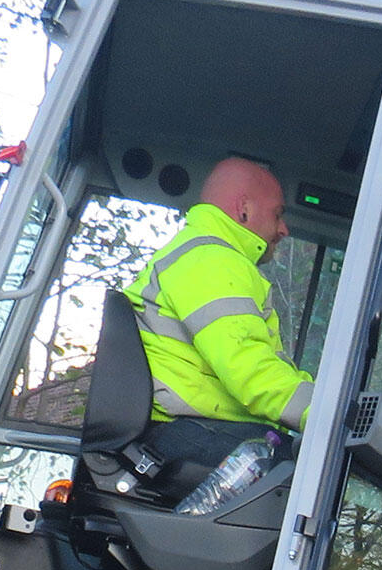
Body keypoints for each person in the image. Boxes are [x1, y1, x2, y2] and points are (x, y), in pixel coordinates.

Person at [124, 156, 314, 486]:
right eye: (278, 214)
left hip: (188, 429)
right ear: (244, 209)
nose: (283, 229)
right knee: (319, 480)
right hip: (183, 433)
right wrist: (329, 416)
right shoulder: (212, 260)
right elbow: (249, 370)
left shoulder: (202, 255)